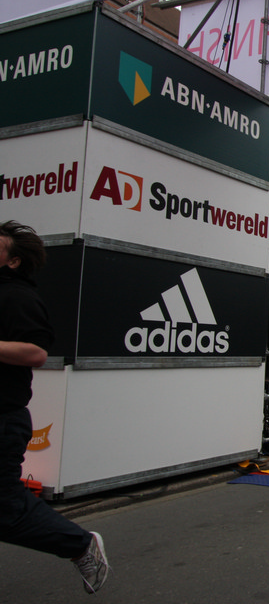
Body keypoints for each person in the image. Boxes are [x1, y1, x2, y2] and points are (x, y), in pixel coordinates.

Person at [0, 221, 110, 593]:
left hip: (3, 418)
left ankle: (79, 544)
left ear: (13, 261)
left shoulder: (16, 296)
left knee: (5, 510)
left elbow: (36, 352)